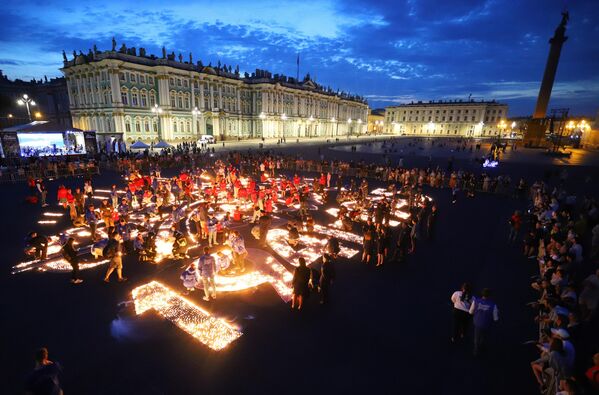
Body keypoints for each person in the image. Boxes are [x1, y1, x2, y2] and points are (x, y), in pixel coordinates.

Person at [469, 288, 499, 356]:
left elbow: (470, 312)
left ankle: (475, 351)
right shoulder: (493, 305)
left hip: (477, 323)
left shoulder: (476, 301)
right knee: (484, 337)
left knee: (476, 337)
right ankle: (482, 347)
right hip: (486, 324)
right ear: (489, 295)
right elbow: (496, 319)